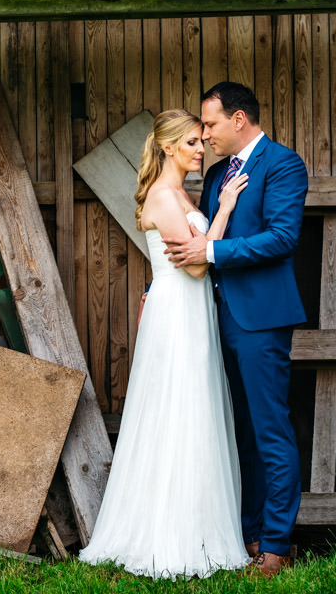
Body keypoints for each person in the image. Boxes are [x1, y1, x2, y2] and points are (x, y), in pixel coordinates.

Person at [79, 108, 251, 580]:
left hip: (191, 310)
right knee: (178, 411)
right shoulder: (163, 196)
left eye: (202, 140)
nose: (202, 149)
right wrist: (225, 212)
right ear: (168, 146)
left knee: (196, 412)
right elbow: (196, 267)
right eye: (193, 142)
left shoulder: (180, 193)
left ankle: (200, 528)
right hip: (177, 313)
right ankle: (167, 536)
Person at [163, 82, 308, 579]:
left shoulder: (283, 165)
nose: (204, 136)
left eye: (210, 125)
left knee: (270, 430)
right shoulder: (221, 172)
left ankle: (277, 544)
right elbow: (201, 237)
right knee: (238, 431)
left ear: (239, 119)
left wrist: (214, 254)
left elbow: (282, 237)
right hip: (215, 317)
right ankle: (247, 534)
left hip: (262, 319)